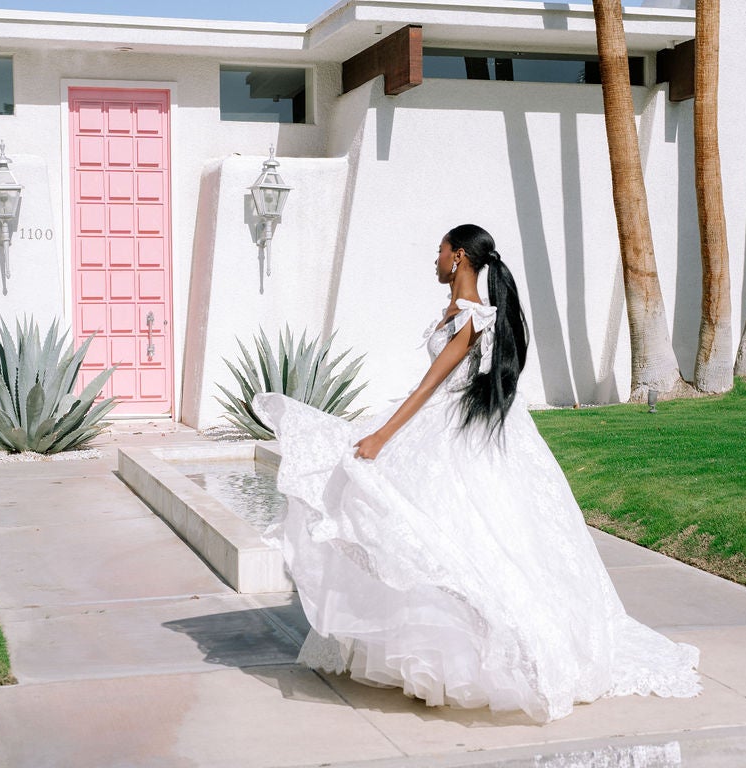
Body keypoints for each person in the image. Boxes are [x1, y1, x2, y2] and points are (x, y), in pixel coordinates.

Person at [253, 224, 700, 723]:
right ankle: (433, 657)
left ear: (459, 256)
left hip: (455, 432)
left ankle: (478, 658)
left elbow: (428, 386)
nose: (435, 261)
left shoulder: (469, 318)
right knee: (418, 532)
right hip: (445, 424)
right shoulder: (456, 314)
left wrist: (383, 436)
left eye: (439, 252)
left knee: (457, 537)